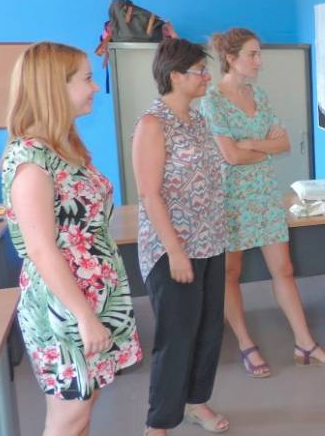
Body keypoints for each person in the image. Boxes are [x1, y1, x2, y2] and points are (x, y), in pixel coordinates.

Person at [1, 42, 142, 436]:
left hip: (91, 296)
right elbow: (41, 249)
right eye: (87, 79)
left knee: (83, 406)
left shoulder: (62, 146)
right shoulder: (31, 160)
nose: (95, 87)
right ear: (54, 87)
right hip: (64, 307)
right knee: (70, 416)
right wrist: (84, 316)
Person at [201, 28, 325, 376]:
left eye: (259, 53)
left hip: (264, 193)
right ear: (231, 58)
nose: (259, 61)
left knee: (284, 269)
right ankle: (246, 345)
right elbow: (230, 157)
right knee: (230, 274)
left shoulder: (259, 95)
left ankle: (304, 343)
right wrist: (260, 147)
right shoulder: (211, 100)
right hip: (229, 198)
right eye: (252, 54)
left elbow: (284, 144)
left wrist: (250, 144)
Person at [132, 39, 229, 435]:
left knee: (209, 330)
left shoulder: (198, 118)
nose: (207, 77)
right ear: (175, 76)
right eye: (200, 71)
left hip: (211, 242)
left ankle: (196, 402)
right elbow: (149, 194)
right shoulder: (153, 124)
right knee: (176, 336)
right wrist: (175, 251)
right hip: (173, 249)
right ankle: (158, 424)